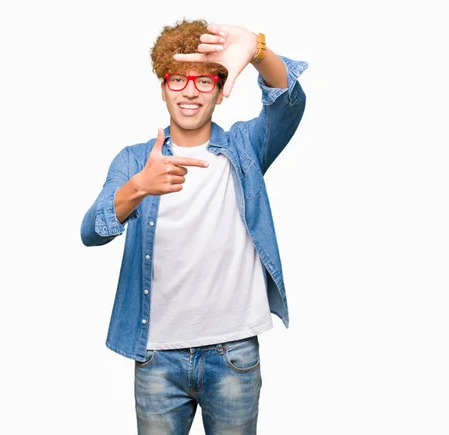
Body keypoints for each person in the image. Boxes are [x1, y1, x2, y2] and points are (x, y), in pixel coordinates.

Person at [81, 18, 307, 434]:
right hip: (157, 359)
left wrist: (257, 50)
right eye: (178, 79)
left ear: (221, 93)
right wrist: (138, 188)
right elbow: (91, 232)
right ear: (163, 87)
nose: (189, 90)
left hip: (233, 354)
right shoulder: (134, 161)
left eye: (204, 82)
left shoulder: (244, 148)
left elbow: (288, 103)